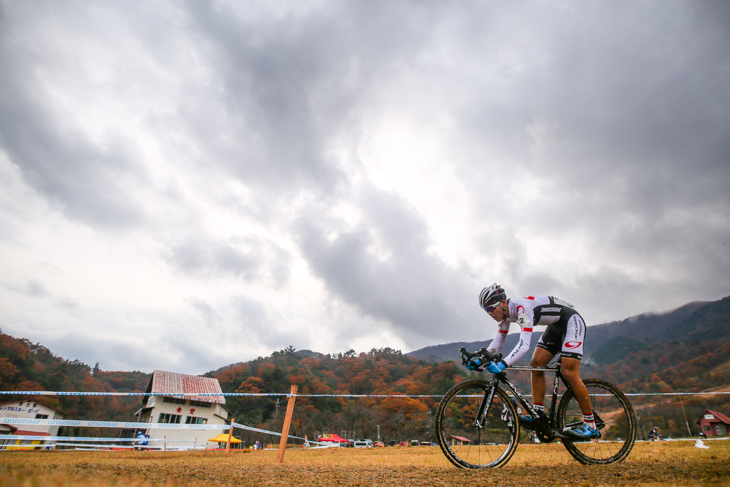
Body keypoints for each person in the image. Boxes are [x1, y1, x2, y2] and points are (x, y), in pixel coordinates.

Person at [475, 283, 599, 439]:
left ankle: (591, 424)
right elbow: (499, 342)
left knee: (569, 372)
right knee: (536, 364)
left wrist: (503, 364)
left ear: (503, 303)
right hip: (555, 327)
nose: (490, 313)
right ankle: (538, 413)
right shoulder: (505, 316)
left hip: (571, 322)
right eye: (486, 310)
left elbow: (524, 345)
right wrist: (480, 359)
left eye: (491, 308)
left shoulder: (522, 310)